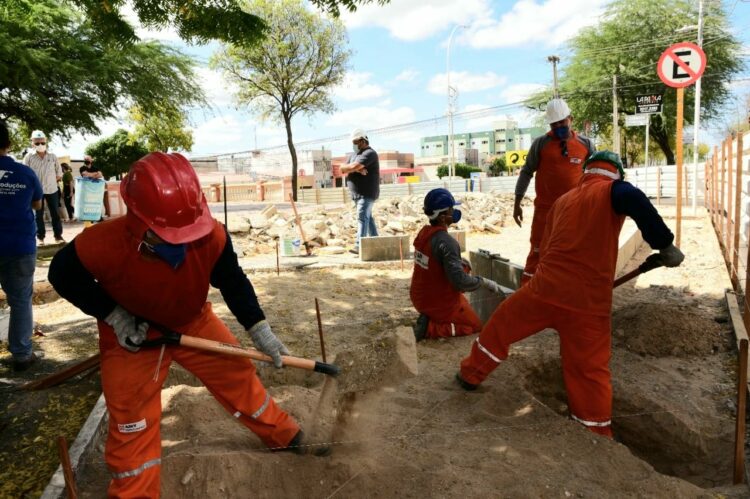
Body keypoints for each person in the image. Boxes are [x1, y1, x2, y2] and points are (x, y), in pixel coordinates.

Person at [49, 152, 327, 498]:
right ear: (136, 220)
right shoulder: (100, 243)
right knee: (131, 419)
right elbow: (61, 275)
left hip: (192, 320)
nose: (179, 243)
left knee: (237, 373)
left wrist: (260, 330)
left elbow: (232, 280)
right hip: (133, 335)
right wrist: (115, 315)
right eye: (166, 235)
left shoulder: (212, 236)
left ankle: (283, 435)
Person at [456, 152, 684, 438]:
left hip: (544, 289)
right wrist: (665, 245)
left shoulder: (563, 201)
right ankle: (594, 431)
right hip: (588, 303)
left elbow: (547, 247)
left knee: (500, 326)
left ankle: (470, 375)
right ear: (617, 173)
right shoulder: (615, 189)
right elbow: (635, 200)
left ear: (585, 172)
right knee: (588, 370)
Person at [513, 98, 595, 285]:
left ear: (570, 119)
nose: (558, 126)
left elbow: (594, 176)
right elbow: (526, 172)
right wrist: (517, 204)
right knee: (538, 253)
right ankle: (527, 297)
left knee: (573, 252)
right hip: (545, 212)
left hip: (574, 211)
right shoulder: (541, 144)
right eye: (554, 123)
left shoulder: (586, 145)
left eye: (562, 122)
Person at [410, 188, 504, 341]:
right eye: (451, 209)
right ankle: (430, 328)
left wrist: (460, 265)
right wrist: (484, 282)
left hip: (419, 295)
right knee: (474, 325)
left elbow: (435, 261)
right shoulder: (447, 242)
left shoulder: (424, 233)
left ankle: (433, 318)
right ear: (442, 217)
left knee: (463, 266)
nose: (453, 212)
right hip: (437, 302)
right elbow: (460, 282)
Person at [0, 120, 44, 371]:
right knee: (20, 301)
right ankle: (22, 355)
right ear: (7, 144)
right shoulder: (25, 173)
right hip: (19, 245)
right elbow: (38, 204)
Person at [341, 128, 380, 254]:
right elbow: (341, 169)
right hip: (357, 194)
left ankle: (359, 246)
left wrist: (353, 168)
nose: (354, 145)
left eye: (356, 142)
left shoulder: (369, 153)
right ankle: (376, 242)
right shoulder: (354, 155)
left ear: (363, 141)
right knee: (368, 218)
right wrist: (356, 169)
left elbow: (353, 166)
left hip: (366, 193)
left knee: (362, 217)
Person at [23, 130, 64, 244]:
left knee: (55, 213)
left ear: (46, 141)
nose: (40, 145)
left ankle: (58, 236)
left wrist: (51, 180)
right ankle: (40, 238)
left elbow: (59, 173)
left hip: (52, 190)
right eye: (37, 143)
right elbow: (25, 174)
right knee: (38, 215)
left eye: (42, 142)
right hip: (36, 191)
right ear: (32, 143)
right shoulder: (28, 157)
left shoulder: (53, 156)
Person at [79, 155, 110, 219]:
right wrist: (95, 174)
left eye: (88, 159)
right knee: (89, 203)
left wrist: (90, 175)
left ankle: (98, 216)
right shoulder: (82, 168)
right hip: (87, 189)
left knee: (96, 202)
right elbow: (85, 175)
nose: (87, 160)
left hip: (95, 189)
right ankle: (90, 217)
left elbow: (100, 175)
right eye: (85, 159)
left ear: (91, 160)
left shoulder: (95, 168)